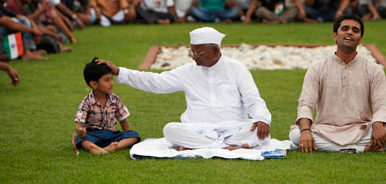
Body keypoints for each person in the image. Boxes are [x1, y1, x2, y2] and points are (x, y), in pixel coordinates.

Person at [98, 27, 271, 150]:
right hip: (196, 129)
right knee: (170, 129)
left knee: (259, 131)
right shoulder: (188, 71)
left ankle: (200, 146)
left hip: (232, 129)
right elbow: (156, 82)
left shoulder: (237, 69)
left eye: (199, 53)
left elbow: (253, 100)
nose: (194, 57)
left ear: (216, 51)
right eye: (192, 52)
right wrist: (120, 72)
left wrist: (262, 118)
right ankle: (225, 148)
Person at [289, 14, 386, 153]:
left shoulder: (374, 70)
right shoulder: (318, 67)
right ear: (335, 36)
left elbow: (383, 103)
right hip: (325, 129)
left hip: (360, 129)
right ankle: (360, 149)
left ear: (360, 39)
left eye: (355, 30)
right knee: (296, 135)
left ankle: (337, 148)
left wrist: (378, 125)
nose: (350, 32)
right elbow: (305, 103)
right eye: (345, 28)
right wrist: (306, 130)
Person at [74, 58, 141, 155]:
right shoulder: (87, 102)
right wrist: (81, 130)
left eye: (111, 79)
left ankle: (114, 147)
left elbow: (123, 120)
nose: (112, 83)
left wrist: (126, 135)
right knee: (80, 139)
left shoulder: (115, 99)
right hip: (93, 135)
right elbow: (79, 123)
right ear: (94, 84)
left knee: (134, 135)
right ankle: (95, 148)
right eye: (107, 80)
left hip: (111, 135)